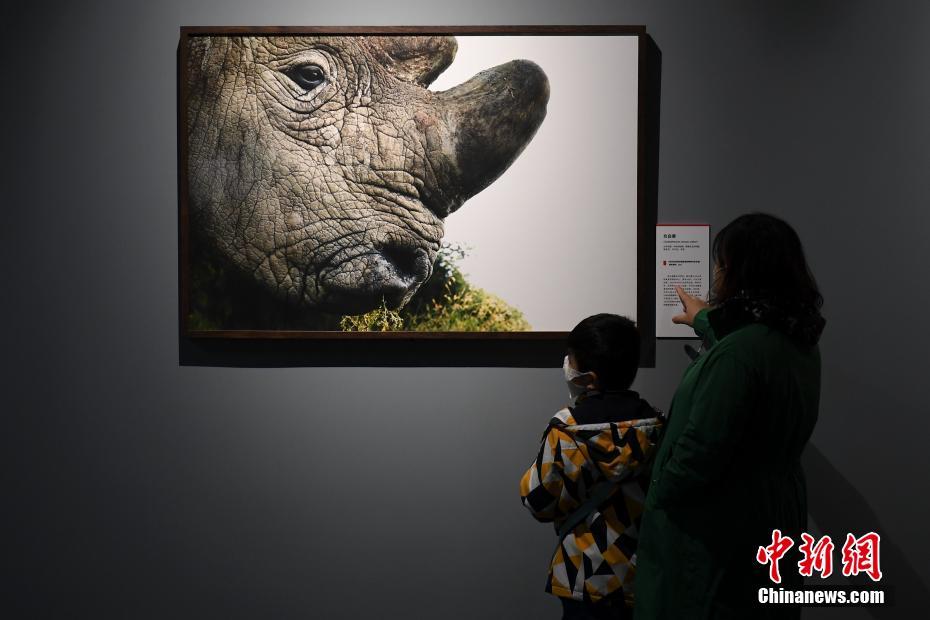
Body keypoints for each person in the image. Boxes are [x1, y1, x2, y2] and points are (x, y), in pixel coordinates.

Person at [633, 213, 826, 619]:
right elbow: (749, 352)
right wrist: (705, 320)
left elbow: (701, 449)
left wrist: (659, 493)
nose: (716, 272)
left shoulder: (738, 355)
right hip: (772, 515)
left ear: (740, 271)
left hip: (717, 529)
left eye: (720, 263)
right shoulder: (796, 342)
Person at [520, 314, 665, 620]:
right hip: (642, 575)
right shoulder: (656, 426)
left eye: (571, 360)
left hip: (583, 574)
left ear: (590, 377)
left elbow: (539, 502)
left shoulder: (567, 430)